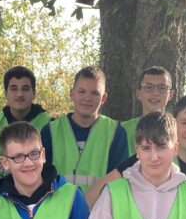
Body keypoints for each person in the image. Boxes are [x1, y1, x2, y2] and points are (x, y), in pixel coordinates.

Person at [40, 66, 129, 207]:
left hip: (99, 216)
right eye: (82, 91)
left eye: (95, 93)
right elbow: (40, 180)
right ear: (72, 94)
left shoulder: (116, 133)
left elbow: (118, 183)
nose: (87, 98)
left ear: (104, 98)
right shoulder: (50, 131)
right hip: (57, 215)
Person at [0, 65, 51, 145]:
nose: (19, 94)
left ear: (34, 93)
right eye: (14, 89)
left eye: (25, 89)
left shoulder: (50, 125)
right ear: (6, 94)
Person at [119, 66, 174, 156]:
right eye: (149, 87)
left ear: (171, 95)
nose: (155, 93)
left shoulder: (182, 131)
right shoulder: (122, 130)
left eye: (162, 88)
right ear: (138, 94)